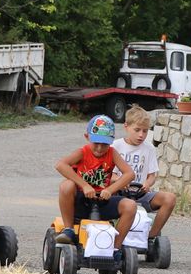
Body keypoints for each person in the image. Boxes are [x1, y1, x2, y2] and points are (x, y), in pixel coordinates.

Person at [54, 114, 137, 263]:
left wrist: (110, 190)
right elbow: (60, 165)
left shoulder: (112, 153)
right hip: (81, 202)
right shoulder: (83, 152)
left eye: (104, 144)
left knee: (130, 206)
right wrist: (84, 185)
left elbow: (129, 173)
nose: (99, 148)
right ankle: (69, 230)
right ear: (87, 137)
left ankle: (116, 249)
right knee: (66, 185)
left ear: (111, 142)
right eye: (96, 143)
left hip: (102, 201)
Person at [112, 105, 176, 239]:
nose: (141, 135)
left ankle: (151, 236)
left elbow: (152, 175)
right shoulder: (116, 146)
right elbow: (110, 174)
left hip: (140, 193)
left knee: (169, 198)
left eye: (145, 131)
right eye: (137, 130)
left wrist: (147, 184)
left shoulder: (149, 148)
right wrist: (120, 181)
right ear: (126, 127)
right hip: (120, 192)